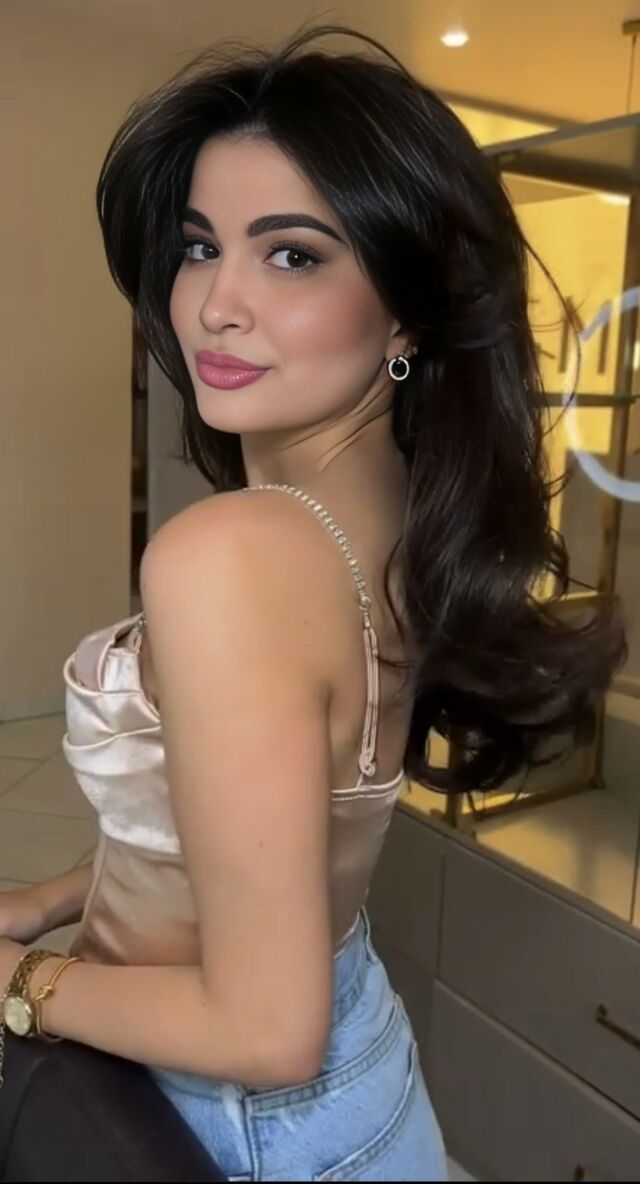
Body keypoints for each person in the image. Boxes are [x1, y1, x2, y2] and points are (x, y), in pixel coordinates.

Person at [0, 21, 627, 1182]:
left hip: (241, 1125)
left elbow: (264, 1032)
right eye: (200, 247)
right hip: (358, 1074)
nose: (214, 304)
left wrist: (25, 985)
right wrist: (49, 898)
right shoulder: (400, 508)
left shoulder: (230, 557)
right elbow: (275, 827)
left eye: (291, 255)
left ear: (405, 309)